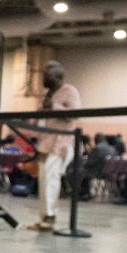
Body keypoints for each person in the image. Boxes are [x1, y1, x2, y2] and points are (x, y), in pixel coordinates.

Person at [29, 61, 81, 231]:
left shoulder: (70, 91)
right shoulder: (48, 94)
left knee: (51, 181)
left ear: (57, 77)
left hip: (61, 144)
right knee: (43, 182)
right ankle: (44, 217)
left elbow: (74, 114)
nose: (43, 78)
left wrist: (54, 106)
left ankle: (50, 218)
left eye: (46, 75)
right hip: (44, 143)